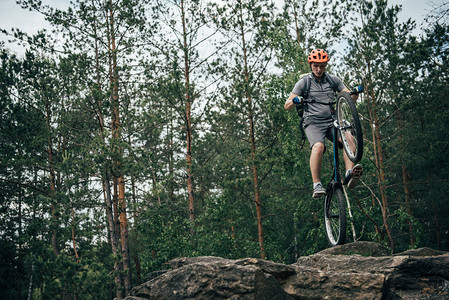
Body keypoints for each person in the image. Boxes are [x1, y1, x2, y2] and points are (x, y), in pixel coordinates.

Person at [284, 49, 363, 198]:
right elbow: (286, 105)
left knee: (348, 135)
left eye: (321, 66)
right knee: (318, 147)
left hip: (332, 120)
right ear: (311, 65)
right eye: (315, 66)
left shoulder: (333, 80)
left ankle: (349, 173)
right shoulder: (304, 82)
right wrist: (295, 101)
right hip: (312, 122)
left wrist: (355, 93)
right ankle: (317, 185)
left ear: (326, 65)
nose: (318, 69)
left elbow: (349, 98)